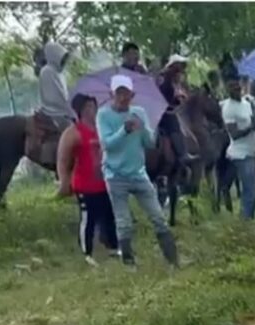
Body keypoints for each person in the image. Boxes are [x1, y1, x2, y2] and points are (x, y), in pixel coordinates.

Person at [96, 75, 178, 267]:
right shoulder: (103, 115)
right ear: (111, 95)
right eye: (119, 93)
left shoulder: (139, 112)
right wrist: (124, 130)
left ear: (132, 95)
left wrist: (147, 131)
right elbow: (107, 145)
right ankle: (129, 262)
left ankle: (173, 260)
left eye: (127, 94)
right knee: (124, 222)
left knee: (158, 217)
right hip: (115, 175)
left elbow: (149, 143)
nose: (124, 98)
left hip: (138, 173)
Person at [57, 93, 117, 266]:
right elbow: (63, 159)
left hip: (105, 180)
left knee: (109, 215)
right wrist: (64, 182)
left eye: (94, 107)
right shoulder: (73, 133)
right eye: (88, 107)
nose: (92, 111)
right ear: (80, 111)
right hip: (84, 183)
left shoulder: (102, 128)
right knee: (88, 218)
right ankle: (87, 252)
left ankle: (113, 247)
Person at [222, 76, 255, 220]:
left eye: (237, 85)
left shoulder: (246, 103)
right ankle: (245, 221)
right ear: (227, 90)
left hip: (252, 150)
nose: (236, 88)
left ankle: (249, 218)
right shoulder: (228, 108)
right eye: (232, 86)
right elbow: (234, 134)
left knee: (254, 190)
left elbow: (254, 123)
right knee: (249, 190)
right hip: (240, 154)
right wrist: (252, 126)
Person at [158, 54, 196, 167]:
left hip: (172, 108)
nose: (182, 69)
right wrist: (176, 99)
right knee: (173, 122)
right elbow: (166, 95)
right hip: (164, 112)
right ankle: (182, 153)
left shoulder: (176, 81)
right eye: (180, 66)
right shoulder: (165, 79)